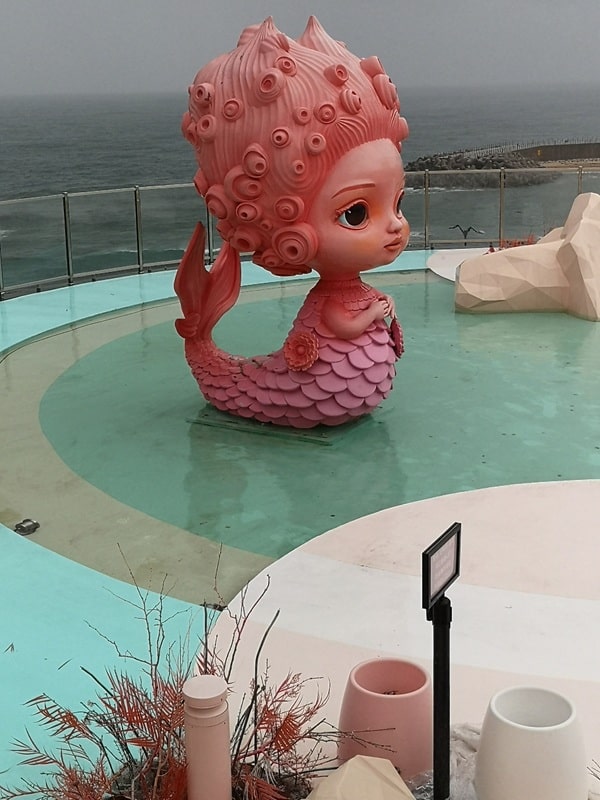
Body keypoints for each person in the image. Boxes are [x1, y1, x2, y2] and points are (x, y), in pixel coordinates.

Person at [175, 16, 410, 428]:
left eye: (398, 204)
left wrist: (375, 306)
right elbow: (340, 324)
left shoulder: (354, 291)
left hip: (338, 387)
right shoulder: (330, 303)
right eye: (356, 213)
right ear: (291, 228)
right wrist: (372, 313)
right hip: (319, 389)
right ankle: (205, 349)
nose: (394, 226)